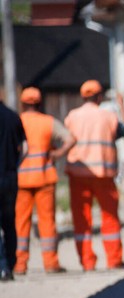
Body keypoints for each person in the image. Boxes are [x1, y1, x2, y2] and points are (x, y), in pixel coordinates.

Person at [64, 80, 124, 271]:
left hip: (77, 174)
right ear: (99, 97)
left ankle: (87, 262)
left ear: (83, 96)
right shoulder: (108, 116)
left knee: (81, 219)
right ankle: (114, 260)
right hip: (103, 175)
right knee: (110, 217)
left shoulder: (72, 116)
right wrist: (122, 106)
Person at [15, 87, 76, 275]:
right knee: (47, 221)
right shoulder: (48, 122)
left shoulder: (18, 122)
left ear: (23, 103)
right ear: (39, 103)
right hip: (44, 177)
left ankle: (20, 264)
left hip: (22, 179)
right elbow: (70, 139)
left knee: (21, 222)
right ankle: (50, 263)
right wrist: (57, 154)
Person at [0, 96, 25, 282]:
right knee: (9, 222)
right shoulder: (13, 117)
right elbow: (25, 147)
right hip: (10, 176)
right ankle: (11, 262)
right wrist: (15, 165)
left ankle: (2, 267)